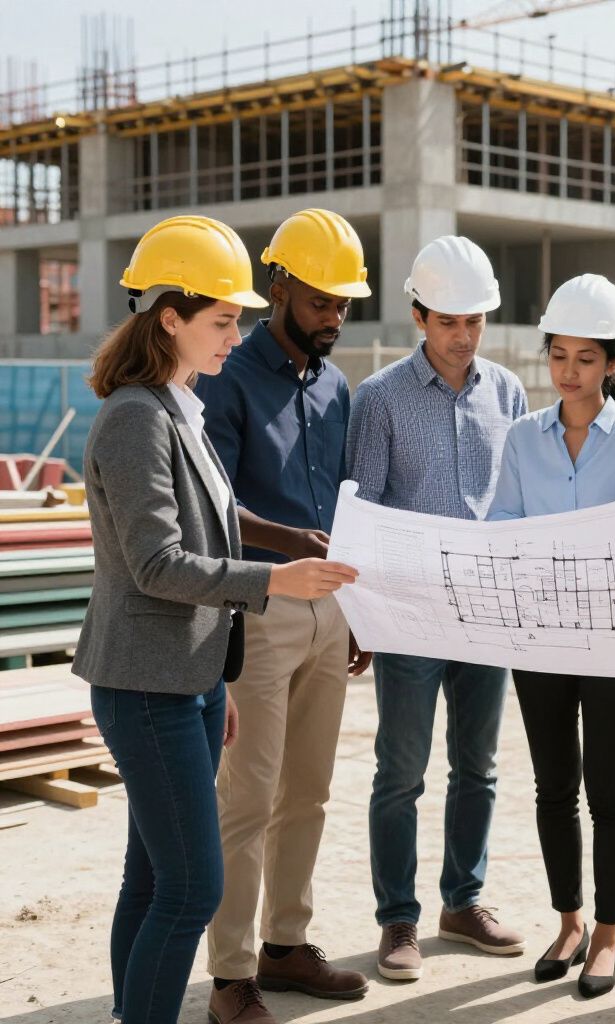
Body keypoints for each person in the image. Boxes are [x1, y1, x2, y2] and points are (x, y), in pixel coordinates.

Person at [72, 215, 357, 1024]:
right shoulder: (135, 417)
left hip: (186, 677)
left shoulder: (178, 406)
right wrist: (276, 578)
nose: (239, 333)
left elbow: (210, 524)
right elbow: (158, 564)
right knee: (193, 885)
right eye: (223, 320)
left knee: (153, 878)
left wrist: (218, 675)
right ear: (170, 318)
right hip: (144, 683)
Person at [196, 209, 371, 1023]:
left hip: (328, 612)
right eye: (320, 301)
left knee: (310, 791)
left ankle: (286, 945)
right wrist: (288, 542)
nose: (334, 317)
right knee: (249, 796)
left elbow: (345, 503)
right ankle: (231, 973)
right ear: (280, 288)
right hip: (260, 609)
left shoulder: (336, 387)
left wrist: (356, 612)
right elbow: (214, 501)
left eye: (343, 304)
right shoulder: (228, 376)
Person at [346, 235, 528, 982]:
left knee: (477, 768)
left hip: (486, 615)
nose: (463, 336)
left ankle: (464, 900)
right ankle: (398, 919)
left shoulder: (508, 393)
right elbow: (363, 513)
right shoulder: (380, 399)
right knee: (401, 770)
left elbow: (515, 502)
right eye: (449, 320)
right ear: (419, 314)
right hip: (410, 615)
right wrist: (363, 616)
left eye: (476, 321)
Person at [487, 274, 615, 999]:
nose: (568, 372)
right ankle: (569, 922)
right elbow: (500, 526)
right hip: (541, 639)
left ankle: (610, 937)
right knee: (553, 785)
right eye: (558, 355)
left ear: (612, 363)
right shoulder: (522, 437)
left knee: (608, 787)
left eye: (586, 358)